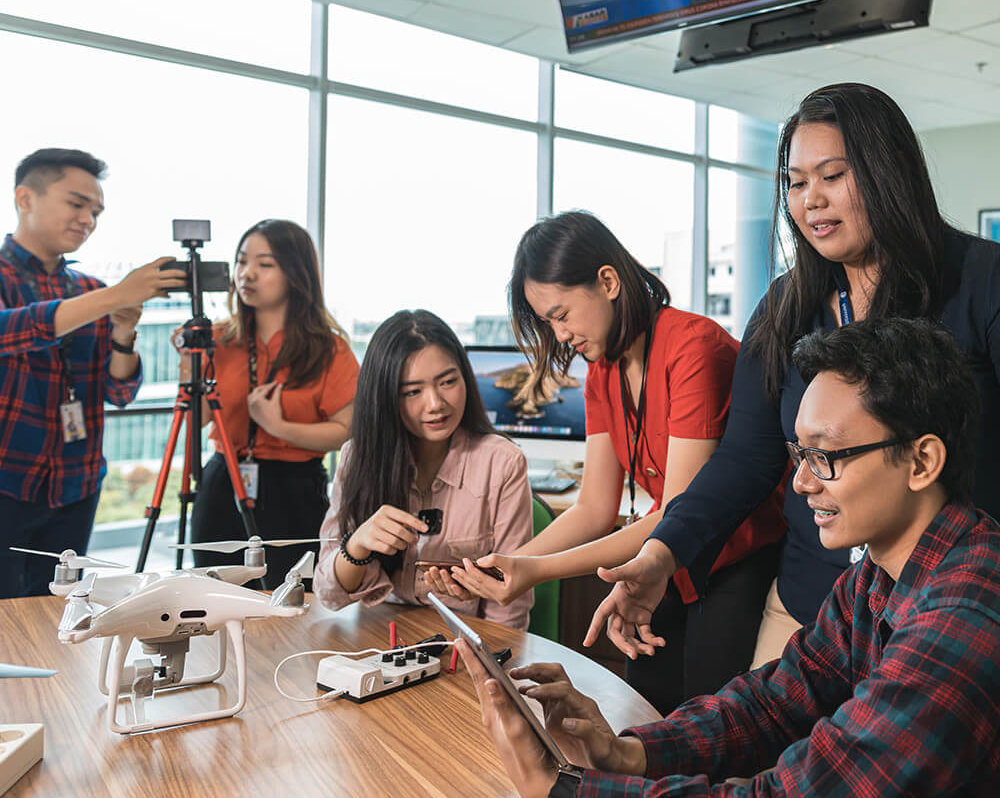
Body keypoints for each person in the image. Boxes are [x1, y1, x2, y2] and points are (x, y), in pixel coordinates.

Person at [462, 318, 1000, 797]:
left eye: (827, 456)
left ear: (922, 460)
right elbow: (777, 701)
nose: (803, 482)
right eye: (798, 454)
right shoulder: (877, 577)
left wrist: (563, 791)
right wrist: (628, 753)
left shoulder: (965, 616)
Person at [588, 82, 1000, 669]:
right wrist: (662, 553)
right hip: (812, 612)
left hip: (951, 616)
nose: (811, 201)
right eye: (797, 183)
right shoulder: (786, 307)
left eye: (832, 176)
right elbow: (745, 461)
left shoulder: (982, 280)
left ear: (888, 173)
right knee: (750, 754)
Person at [451, 212, 786, 713]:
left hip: (735, 558)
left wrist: (535, 572)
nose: (560, 335)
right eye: (548, 323)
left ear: (607, 281)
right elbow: (593, 507)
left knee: (708, 718)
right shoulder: (600, 373)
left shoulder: (693, 348)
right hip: (666, 560)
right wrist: (512, 563)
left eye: (561, 314)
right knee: (644, 706)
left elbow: (678, 515)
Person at [1, 147, 187, 598]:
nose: (88, 219)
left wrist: (123, 332)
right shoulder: (93, 294)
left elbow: (119, 390)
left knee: (59, 614)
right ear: (25, 198)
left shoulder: (89, 289)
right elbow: (12, 330)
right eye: (76, 203)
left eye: (97, 211)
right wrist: (115, 296)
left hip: (76, 482)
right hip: (8, 478)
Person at [313, 309, 534, 629]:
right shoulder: (357, 458)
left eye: (447, 382)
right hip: (374, 641)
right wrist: (357, 545)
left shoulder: (502, 464)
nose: (435, 404)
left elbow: (509, 610)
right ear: (386, 397)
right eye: (413, 392)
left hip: (461, 646)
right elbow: (328, 594)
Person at [185, 219, 357, 589]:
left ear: (295, 273)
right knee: (213, 601)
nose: (247, 274)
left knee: (293, 603)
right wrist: (190, 364)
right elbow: (194, 424)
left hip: (295, 491)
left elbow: (346, 432)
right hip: (223, 484)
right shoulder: (215, 339)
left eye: (265, 265)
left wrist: (279, 427)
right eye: (242, 261)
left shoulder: (328, 348)